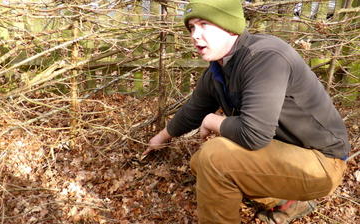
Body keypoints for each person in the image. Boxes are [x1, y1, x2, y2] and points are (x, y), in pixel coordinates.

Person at [143, 0, 350, 223]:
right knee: (200, 161)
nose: (195, 34)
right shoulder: (219, 67)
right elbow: (194, 109)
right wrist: (162, 137)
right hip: (286, 152)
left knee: (215, 157)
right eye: (192, 27)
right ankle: (288, 203)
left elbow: (254, 134)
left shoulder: (265, 58)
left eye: (204, 24)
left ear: (229, 26)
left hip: (322, 162)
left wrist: (213, 121)